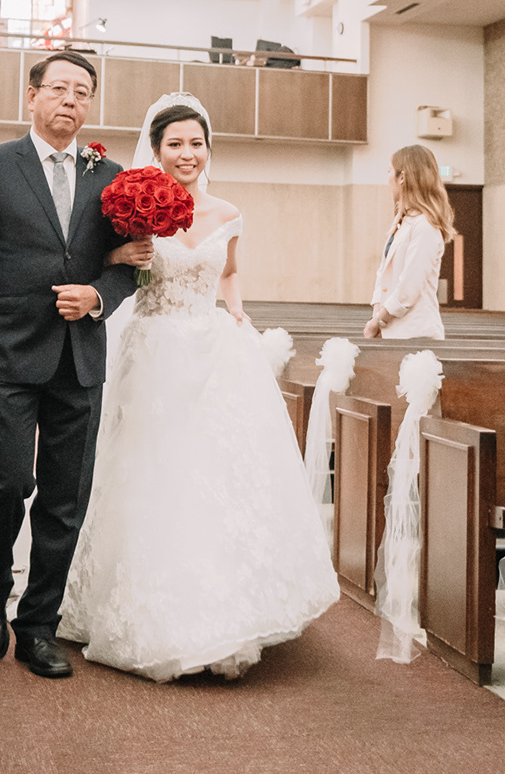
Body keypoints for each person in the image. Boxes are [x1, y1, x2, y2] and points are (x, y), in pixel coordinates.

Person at [58, 97, 337, 679]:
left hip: (213, 351)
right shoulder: (132, 204)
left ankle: (228, 607)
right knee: (152, 471)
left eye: (197, 144)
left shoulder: (228, 212)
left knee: (217, 473)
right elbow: (106, 270)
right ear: (156, 149)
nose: (187, 154)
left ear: (209, 149)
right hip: (152, 350)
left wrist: (235, 310)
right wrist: (119, 252)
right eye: (176, 144)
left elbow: (228, 272)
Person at [0, 50, 139, 679]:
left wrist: (98, 295)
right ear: (32, 96)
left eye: (82, 92)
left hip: (79, 359)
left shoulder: (112, 177)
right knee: (4, 486)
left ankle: (39, 625)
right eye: (59, 88)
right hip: (7, 353)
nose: (70, 100)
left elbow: (129, 264)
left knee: (64, 499)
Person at [366, 145, 457, 339]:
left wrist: (379, 321)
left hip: (416, 333)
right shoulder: (403, 220)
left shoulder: (425, 225)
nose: (387, 177)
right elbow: (383, 274)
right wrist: (376, 315)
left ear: (402, 177)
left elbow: (409, 286)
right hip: (393, 330)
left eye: (389, 171)